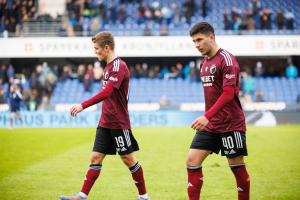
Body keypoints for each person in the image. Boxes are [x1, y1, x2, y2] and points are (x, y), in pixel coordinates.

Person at [60, 32, 150, 200]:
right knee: (95, 157)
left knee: (128, 159)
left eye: (97, 49)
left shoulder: (119, 66)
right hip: (105, 122)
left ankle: (144, 197)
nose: (95, 52)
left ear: (107, 48)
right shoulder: (108, 67)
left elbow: (108, 92)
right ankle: (82, 195)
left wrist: (82, 105)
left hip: (118, 122)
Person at [186, 22, 250, 200]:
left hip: (231, 123)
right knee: (192, 161)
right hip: (211, 125)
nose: (197, 45)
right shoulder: (204, 63)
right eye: (194, 41)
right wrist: (209, 117)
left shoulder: (227, 59)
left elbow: (229, 93)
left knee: (237, 168)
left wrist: (207, 116)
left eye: (199, 40)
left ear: (211, 37)